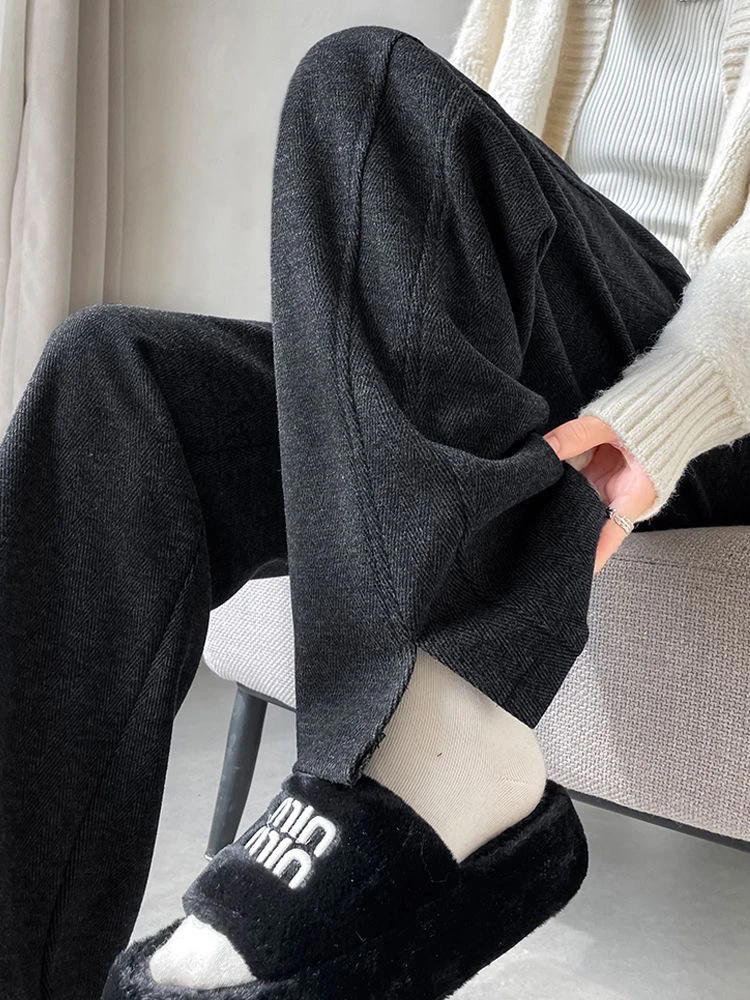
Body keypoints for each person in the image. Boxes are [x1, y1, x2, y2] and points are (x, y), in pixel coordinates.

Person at [1, 2, 748, 998]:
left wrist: (656, 417)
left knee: (368, 78)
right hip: (532, 357)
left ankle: (421, 749)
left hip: (717, 390)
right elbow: (445, 189)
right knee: (115, 377)